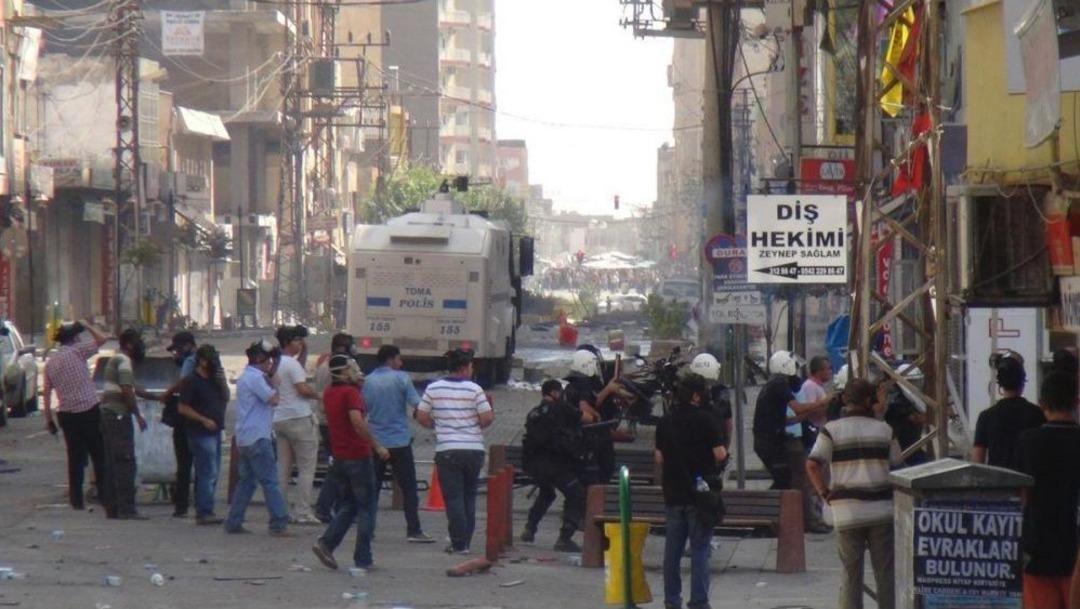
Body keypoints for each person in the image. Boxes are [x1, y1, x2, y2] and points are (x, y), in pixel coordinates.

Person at [806, 379, 902, 609]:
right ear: (870, 401)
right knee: (885, 573)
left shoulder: (831, 430)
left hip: (846, 512)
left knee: (851, 573)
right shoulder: (885, 430)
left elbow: (812, 464)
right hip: (881, 512)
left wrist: (824, 492)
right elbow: (898, 467)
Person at [655, 373, 727, 609]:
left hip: (673, 492)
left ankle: (671, 600)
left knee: (672, 553)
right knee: (700, 550)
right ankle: (698, 601)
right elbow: (720, 454)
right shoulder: (707, 419)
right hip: (700, 494)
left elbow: (659, 457)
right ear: (697, 395)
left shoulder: (665, 421)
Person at [311, 355, 389, 571]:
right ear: (343, 373)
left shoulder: (330, 393)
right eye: (352, 368)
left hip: (341, 457)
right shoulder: (350, 393)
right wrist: (377, 445)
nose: (357, 371)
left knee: (349, 505)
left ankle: (326, 543)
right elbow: (357, 421)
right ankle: (363, 557)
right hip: (358, 456)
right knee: (366, 508)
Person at [416, 349, 494, 554]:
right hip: (474, 449)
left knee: (454, 499)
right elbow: (487, 418)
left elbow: (421, 416)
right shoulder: (475, 389)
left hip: (447, 450)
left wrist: (438, 425)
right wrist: (472, 425)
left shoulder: (433, 388)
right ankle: (465, 541)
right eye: (471, 367)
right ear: (464, 367)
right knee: (469, 496)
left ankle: (458, 543)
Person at [1016, 372, 1080, 609]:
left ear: (1042, 404)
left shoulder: (1027, 442)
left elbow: (1021, 498)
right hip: (1075, 554)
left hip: (1037, 552)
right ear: (1076, 402)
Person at [363, 345, 433, 543]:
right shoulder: (402, 378)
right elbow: (417, 404)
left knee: (372, 488)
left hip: (376, 442)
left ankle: (368, 529)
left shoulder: (367, 381)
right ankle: (414, 529)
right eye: (399, 359)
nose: (401, 363)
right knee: (409, 488)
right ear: (391, 359)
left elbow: (363, 411)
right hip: (400, 441)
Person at [225, 339, 290, 536]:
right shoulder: (255, 378)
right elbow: (274, 400)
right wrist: (275, 383)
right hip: (258, 438)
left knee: (247, 482)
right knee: (270, 482)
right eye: (269, 360)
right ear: (260, 358)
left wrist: (271, 374)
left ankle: (233, 521)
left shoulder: (247, 376)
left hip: (245, 437)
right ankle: (279, 522)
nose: (271, 364)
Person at [42, 320, 110, 511]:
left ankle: (76, 499)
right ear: (74, 339)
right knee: (98, 455)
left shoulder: (51, 363)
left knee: (75, 457)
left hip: (67, 415)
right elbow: (103, 338)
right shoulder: (78, 352)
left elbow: (47, 393)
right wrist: (87, 325)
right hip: (89, 409)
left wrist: (48, 420)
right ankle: (104, 495)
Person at [520, 379, 588, 552]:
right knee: (577, 494)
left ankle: (530, 527)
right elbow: (587, 418)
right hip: (556, 465)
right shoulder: (562, 408)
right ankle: (565, 537)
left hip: (534, 466)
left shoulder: (534, 413)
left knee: (547, 493)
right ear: (555, 393)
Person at [752, 350, 830, 490]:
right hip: (768, 442)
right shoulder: (779, 384)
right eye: (794, 367)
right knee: (784, 478)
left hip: (768, 440)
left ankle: (777, 507)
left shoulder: (775, 384)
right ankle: (772, 507)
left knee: (786, 478)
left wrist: (810, 414)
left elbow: (789, 420)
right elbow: (797, 408)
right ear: (786, 366)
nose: (797, 373)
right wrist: (822, 402)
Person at [99, 328, 150, 520]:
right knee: (125, 461)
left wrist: (157, 396)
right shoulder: (124, 361)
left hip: (108, 414)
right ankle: (126, 508)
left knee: (112, 462)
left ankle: (112, 507)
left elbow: (134, 388)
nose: (140, 346)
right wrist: (138, 415)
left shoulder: (117, 359)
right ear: (129, 344)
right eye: (138, 341)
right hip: (118, 415)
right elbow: (128, 391)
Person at [273, 325, 321, 525]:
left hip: (279, 419)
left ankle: (278, 509)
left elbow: (296, 369)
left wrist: (305, 350)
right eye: (297, 340)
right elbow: (301, 388)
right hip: (299, 419)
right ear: (287, 343)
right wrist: (319, 395)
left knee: (282, 468)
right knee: (306, 468)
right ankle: (302, 510)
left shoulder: (275, 363)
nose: (300, 343)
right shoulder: (292, 365)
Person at [177, 345, 229, 525]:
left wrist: (222, 380)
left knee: (213, 471)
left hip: (215, 431)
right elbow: (183, 407)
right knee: (207, 471)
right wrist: (202, 419)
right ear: (201, 361)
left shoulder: (214, 380)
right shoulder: (191, 381)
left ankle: (207, 508)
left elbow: (225, 397)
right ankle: (204, 510)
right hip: (200, 432)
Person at [313, 333, 361, 523]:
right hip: (341, 421)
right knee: (341, 467)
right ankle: (327, 507)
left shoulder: (323, 365)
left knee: (340, 466)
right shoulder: (347, 366)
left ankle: (337, 508)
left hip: (326, 420)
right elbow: (359, 381)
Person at [971, 355, 1044, 469]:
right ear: (1022, 382)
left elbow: (977, 461)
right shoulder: (1037, 414)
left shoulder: (986, 417)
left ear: (1000, 384)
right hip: (1028, 482)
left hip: (998, 483)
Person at [563, 348, 618, 484]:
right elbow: (585, 406)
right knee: (602, 470)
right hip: (588, 437)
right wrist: (608, 390)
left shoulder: (572, 384)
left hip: (576, 437)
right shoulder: (583, 383)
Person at [793, 355, 833, 533]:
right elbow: (810, 410)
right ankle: (814, 519)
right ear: (819, 371)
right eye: (828, 369)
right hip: (814, 435)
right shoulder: (810, 387)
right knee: (814, 480)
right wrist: (827, 406)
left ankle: (818, 517)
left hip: (820, 433)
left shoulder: (818, 387)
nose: (830, 372)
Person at [162, 331, 197, 517]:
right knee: (194, 464)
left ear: (188, 346)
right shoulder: (199, 362)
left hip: (188, 418)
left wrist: (168, 393)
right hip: (195, 418)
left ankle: (182, 505)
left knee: (185, 464)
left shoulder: (191, 362)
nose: (175, 354)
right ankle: (195, 504)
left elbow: (183, 383)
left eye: (177, 349)